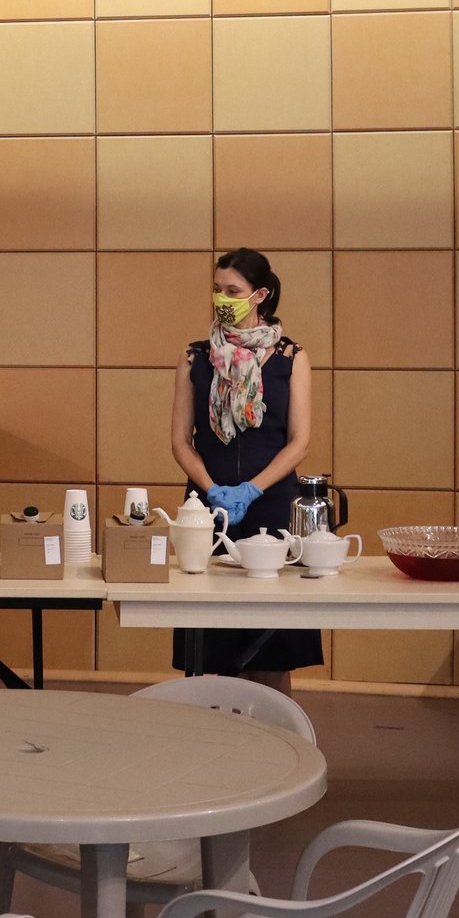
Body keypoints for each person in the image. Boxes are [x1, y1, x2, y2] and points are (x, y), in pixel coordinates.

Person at [168, 248, 322, 690]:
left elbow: (299, 442)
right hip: (207, 512)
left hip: (271, 508)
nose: (222, 299)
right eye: (217, 290)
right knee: (213, 643)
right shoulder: (195, 357)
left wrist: (250, 490)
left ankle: (281, 745)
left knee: (272, 646)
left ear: (260, 295)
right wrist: (213, 490)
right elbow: (181, 441)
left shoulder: (293, 358)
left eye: (232, 291)